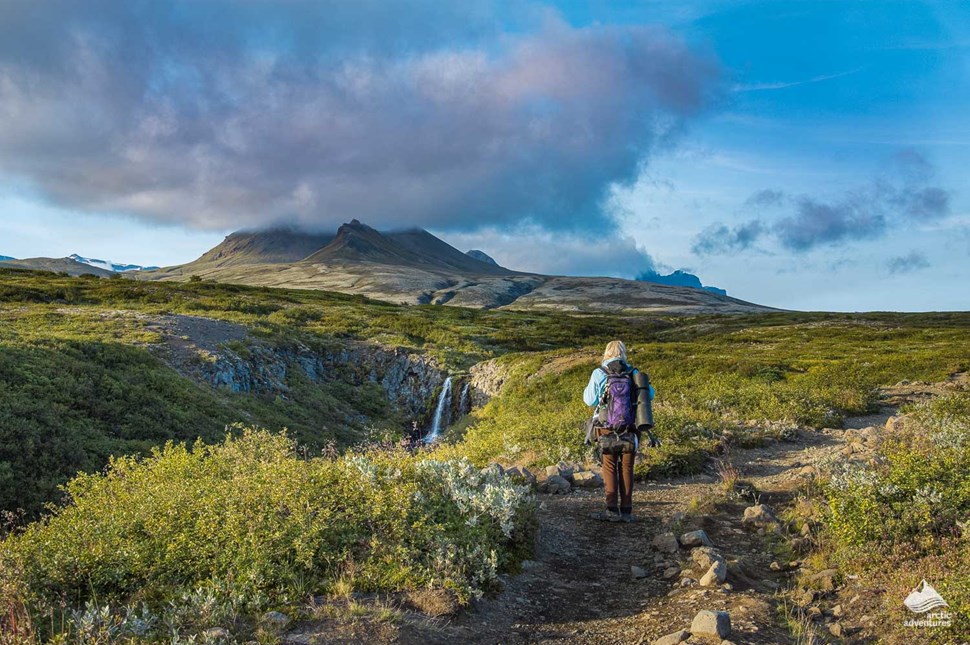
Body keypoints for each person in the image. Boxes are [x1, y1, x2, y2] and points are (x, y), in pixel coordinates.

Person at [583, 340, 655, 523]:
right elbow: (650, 394)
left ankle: (611, 510)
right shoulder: (634, 373)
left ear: (606, 353)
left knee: (609, 466)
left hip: (606, 427)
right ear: (624, 354)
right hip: (631, 427)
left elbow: (589, 400)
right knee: (627, 467)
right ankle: (627, 511)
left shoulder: (599, 373)